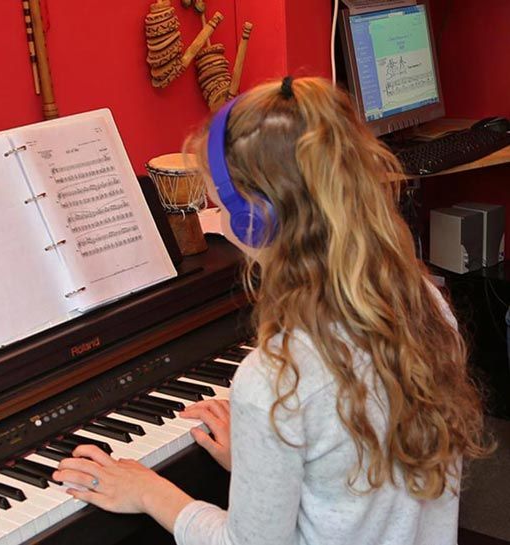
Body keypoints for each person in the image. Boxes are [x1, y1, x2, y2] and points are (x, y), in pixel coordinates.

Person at [52, 76, 490, 545]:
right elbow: (361, 483)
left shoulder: (278, 378)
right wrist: (263, 469)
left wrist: (151, 491)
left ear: (254, 219)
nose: (217, 221)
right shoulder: (422, 301)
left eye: (219, 207)